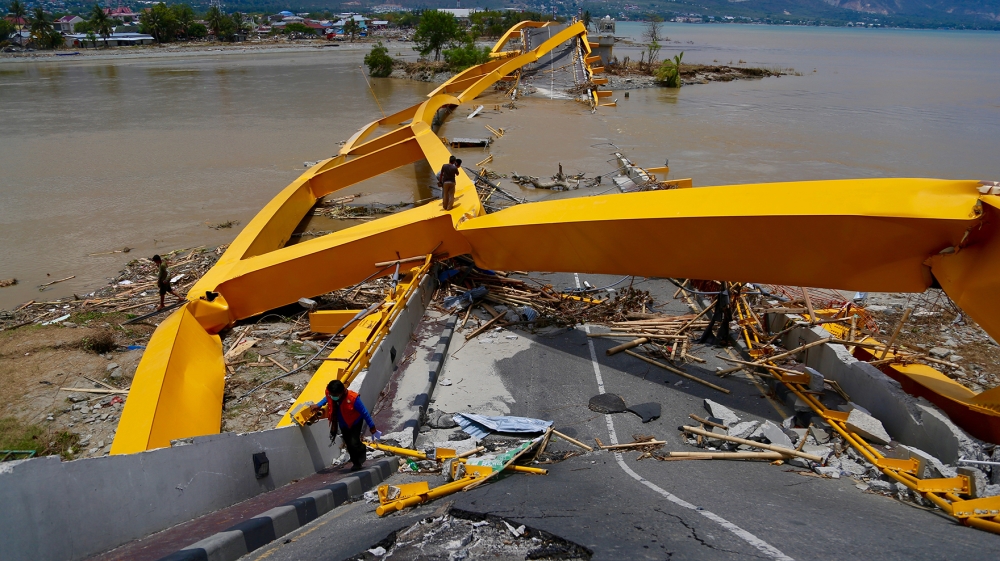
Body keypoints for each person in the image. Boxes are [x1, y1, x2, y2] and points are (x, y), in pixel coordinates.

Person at [311, 380, 382, 471]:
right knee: (349, 445)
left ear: (341, 392)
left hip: (355, 422)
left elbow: (364, 413)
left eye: (335, 395)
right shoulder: (332, 394)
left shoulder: (353, 398)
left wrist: (372, 427)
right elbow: (327, 398)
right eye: (332, 395)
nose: (333, 397)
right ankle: (356, 463)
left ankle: (361, 448)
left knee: (354, 442)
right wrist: (319, 405)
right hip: (343, 423)